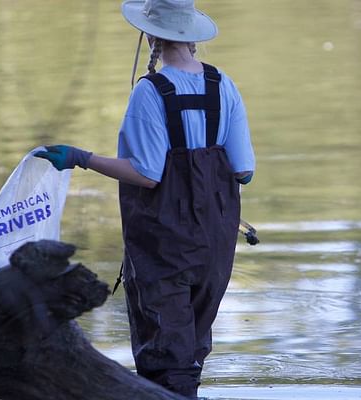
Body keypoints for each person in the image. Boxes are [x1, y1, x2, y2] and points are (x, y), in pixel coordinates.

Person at [34, 0, 255, 398]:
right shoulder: (225, 85)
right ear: (191, 34)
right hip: (215, 245)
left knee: (165, 359)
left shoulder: (150, 93)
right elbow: (244, 172)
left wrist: (80, 158)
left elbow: (146, 175)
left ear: (151, 35)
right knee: (191, 353)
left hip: (162, 244)